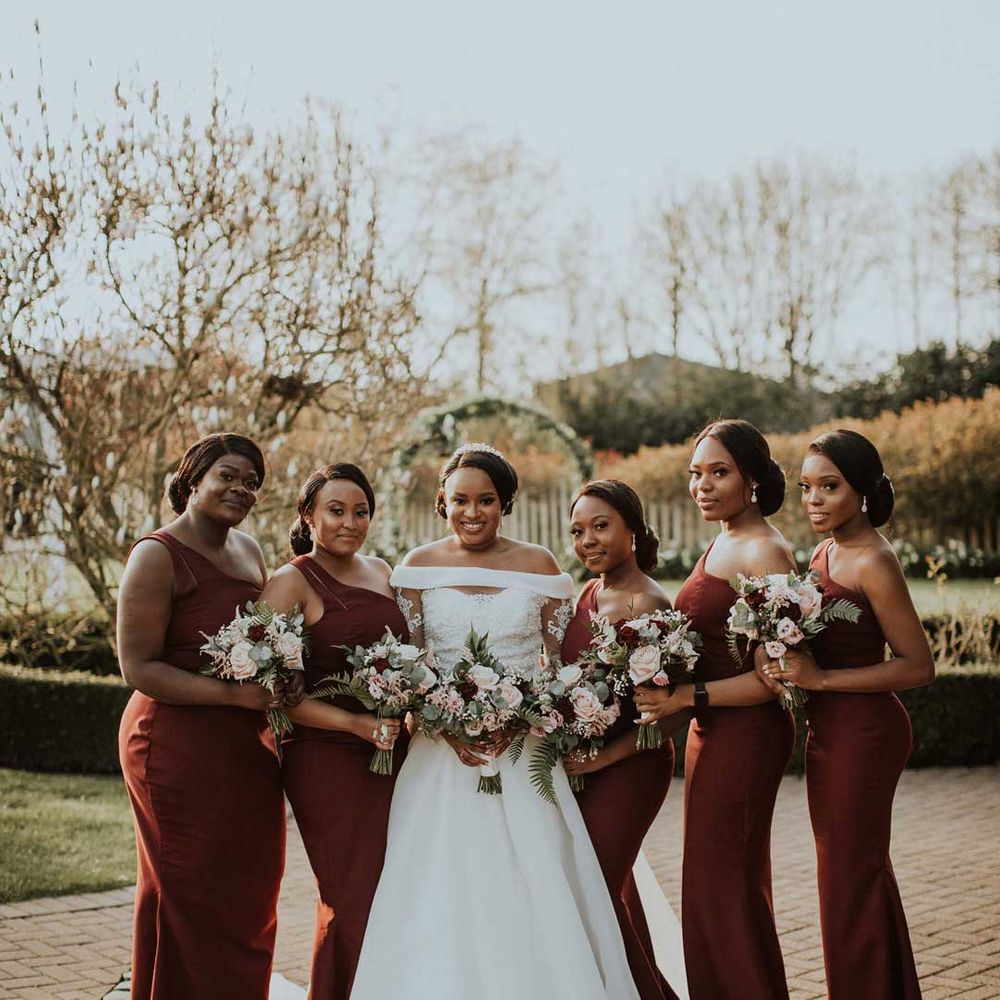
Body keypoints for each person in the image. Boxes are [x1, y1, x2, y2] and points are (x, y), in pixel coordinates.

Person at [350, 444, 646, 1000]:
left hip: (524, 755)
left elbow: (562, 671)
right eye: (460, 500)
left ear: (503, 503)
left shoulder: (540, 567)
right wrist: (445, 722)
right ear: (442, 501)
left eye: (486, 500)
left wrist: (525, 716)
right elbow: (410, 665)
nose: (472, 512)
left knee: (531, 881)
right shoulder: (415, 568)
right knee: (438, 885)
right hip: (440, 757)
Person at [117, 433, 300, 1000]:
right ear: (192, 478)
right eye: (228, 475)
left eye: (252, 482)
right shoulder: (156, 554)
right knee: (187, 889)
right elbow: (138, 666)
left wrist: (281, 675)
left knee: (249, 886)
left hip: (244, 746)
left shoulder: (249, 551)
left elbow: (263, 639)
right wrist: (232, 699)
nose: (241, 489)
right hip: (172, 745)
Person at [756, 429, 932, 999]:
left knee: (847, 881)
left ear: (862, 489)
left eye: (829, 487)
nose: (813, 500)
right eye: (807, 487)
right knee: (853, 876)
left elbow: (917, 666)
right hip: (829, 731)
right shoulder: (824, 550)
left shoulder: (875, 560)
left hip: (866, 734)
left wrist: (822, 678)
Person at [635, 419, 794, 1000]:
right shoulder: (725, 537)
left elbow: (774, 679)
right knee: (714, 887)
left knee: (722, 888)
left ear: (752, 479)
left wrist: (684, 696)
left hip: (747, 736)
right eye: (695, 474)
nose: (702, 485)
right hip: (713, 732)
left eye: (718, 472)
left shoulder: (765, 550)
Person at [260, 463, 408, 1000]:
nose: (350, 522)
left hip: (394, 754)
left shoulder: (383, 570)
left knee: (394, 889)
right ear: (308, 515)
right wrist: (355, 723)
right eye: (336, 511)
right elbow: (271, 690)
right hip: (326, 759)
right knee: (352, 894)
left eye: (361, 511)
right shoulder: (290, 581)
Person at [562, 479, 685, 1000]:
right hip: (585, 764)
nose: (587, 539)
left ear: (631, 530)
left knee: (592, 891)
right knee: (610, 893)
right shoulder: (591, 590)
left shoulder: (647, 603)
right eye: (578, 530)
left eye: (601, 526)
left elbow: (669, 714)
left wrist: (604, 756)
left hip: (631, 767)